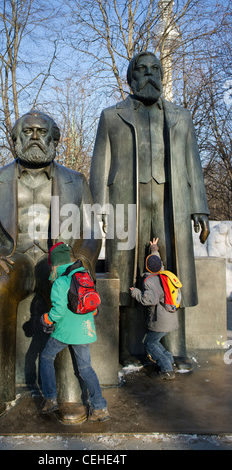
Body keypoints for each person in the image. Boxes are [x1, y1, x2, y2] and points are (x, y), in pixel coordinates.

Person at [0, 110, 101, 425]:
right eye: (27, 132)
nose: (35, 137)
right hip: (12, 259)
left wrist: (79, 262)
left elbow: (91, 231)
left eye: (43, 132)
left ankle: (69, 393)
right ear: (14, 139)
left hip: (57, 258)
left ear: (56, 139)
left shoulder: (76, 180)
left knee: (70, 285)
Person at [89, 51, 210, 367]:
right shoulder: (111, 116)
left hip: (173, 204)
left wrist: (200, 208)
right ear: (130, 78)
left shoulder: (181, 116)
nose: (149, 74)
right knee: (126, 273)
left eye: (155, 69)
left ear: (162, 75)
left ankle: (175, 347)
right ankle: (128, 349)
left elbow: (193, 164)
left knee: (174, 274)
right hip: (125, 202)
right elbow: (100, 163)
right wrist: (98, 208)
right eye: (141, 69)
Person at [39, 242, 109, 422]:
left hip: (65, 332)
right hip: (85, 329)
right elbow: (92, 304)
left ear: (56, 264)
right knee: (86, 368)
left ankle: (50, 398)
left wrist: (47, 319)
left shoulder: (60, 282)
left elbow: (58, 311)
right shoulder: (84, 275)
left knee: (47, 357)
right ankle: (100, 407)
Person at [130, 238, 178, 380]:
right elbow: (157, 261)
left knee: (149, 343)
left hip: (160, 321)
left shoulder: (151, 281)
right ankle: (169, 361)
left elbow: (149, 300)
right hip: (171, 317)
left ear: (147, 267)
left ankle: (167, 370)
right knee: (155, 342)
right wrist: (154, 248)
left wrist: (135, 292)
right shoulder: (164, 274)